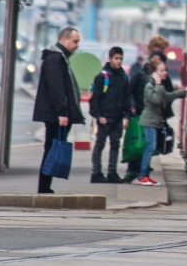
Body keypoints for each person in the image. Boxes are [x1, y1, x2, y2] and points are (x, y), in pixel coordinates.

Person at [32, 27, 86, 194]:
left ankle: (45, 186)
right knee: (51, 149)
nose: (77, 45)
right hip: (55, 115)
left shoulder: (59, 58)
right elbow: (56, 88)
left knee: (52, 148)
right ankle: (44, 187)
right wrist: (62, 112)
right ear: (64, 40)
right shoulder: (56, 59)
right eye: (75, 41)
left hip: (56, 114)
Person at [126, 35, 174, 182]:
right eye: (159, 49)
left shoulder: (162, 72)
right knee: (138, 142)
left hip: (152, 113)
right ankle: (137, 170)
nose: (162, 53)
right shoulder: (142, 70)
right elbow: (131, 89)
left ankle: (142, 169)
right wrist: (132, 105)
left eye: (163, 50)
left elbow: (168, 92)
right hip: (141, 111)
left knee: (147, 143)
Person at [137, 56, 187, 186]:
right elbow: (157, 100)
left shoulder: (159, 87)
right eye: (162, 70)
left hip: (155, 122)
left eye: (165, 70)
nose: (165, 73)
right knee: (150, 146)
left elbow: (168, 96)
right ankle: (142, 175)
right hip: (149, 121)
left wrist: (183, 92)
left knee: (151, 147)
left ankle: (146, 175)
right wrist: (159, 84)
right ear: (155, 73)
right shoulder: (150, 86)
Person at [88, 46, 133, 184]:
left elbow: (126, 97)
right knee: (100, 145)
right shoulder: (102, 77)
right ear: (109, 59)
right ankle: (96, 173)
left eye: (120, 59)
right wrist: (98, 116)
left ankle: (112, 173)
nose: (119, 61)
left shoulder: (123, 77)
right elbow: (95, 99)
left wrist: (127, 115)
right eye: (116, 58)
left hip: (117, 117)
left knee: (115, 145)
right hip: (104, 118)